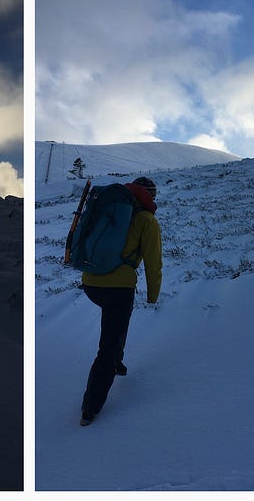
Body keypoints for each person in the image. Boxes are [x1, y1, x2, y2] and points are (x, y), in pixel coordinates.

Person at [80, 176, 163, 426]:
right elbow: (153, 262)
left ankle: (117, 363)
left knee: (117, 325)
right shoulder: (147, 220)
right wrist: (152, 294)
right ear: (150, 196)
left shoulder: (108, 209)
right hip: (118, 287)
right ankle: (90, 409)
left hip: (90, 282)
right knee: (108, 344)